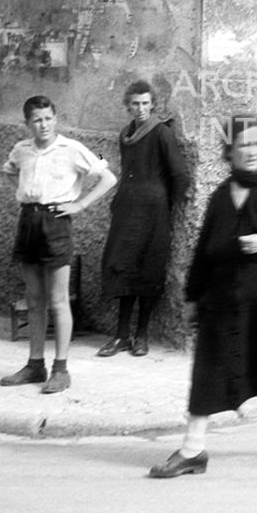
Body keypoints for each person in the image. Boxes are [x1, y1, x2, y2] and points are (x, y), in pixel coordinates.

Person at [149, 115, 257, 478]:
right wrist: (192, 297)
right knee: (207, 372)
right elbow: (203, 250)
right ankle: (193, 450)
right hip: (222, 300)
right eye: (244, 145)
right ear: (229, 151)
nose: (252, 151)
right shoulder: (222, 196)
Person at [0, 95, 117, 394]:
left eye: (48, 118)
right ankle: (34, 364)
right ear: (27, 123)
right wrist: (26, 193)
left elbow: (107, 177)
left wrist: (80, 205)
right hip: (28, 221)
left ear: (55, 118)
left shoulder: (71, 149)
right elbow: (10, 170)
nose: (44, 125)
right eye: (37, 120)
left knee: (58, 300)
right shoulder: (21, 150)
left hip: (56, 223)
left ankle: (61, 369)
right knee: (35, 300)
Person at [96, 80, 190, 358]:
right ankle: (121, 336)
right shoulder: (126, 134)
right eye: (135, 103)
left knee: (148, 270)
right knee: (123, 267)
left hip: (153, 213)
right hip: (127, 210)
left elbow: (180, 176)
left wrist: (164, 205)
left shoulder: (162, 133)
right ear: (128, 106)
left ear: (153, 105)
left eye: (145, 103)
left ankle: (142, 336)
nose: (140, 109)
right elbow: (123, 170)